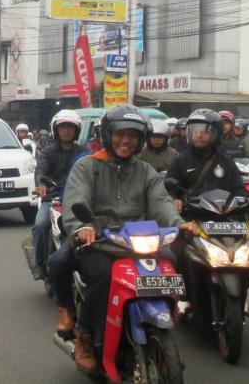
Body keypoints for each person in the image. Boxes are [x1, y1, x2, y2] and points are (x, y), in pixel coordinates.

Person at [62, 105, 197, 373]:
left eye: (133, 136)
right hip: (99, 240)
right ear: (109, 134)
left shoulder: (145, 171)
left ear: (141, 140)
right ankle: (86, 337)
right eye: (121, 134)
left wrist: (178, 224)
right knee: (102, 275)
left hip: (137, 240)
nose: (126, 141)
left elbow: (162, 203)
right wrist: (83, 227)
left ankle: (165, 329)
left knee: (171, 259)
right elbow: (76, 200)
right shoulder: (87, 167)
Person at [166, 108, 249, 314]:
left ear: (216, 133)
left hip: (226, 217)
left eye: (205, 130)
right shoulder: (180, 160)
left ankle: (242, 293)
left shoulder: (226, 161)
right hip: (194, 218)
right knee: (177, 249)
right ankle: (184, 296)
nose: (199, 134)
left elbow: (239, 188)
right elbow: (169, 187)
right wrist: (175, 200)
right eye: (196, 130)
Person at [33, 110, 86, 280]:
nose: (66, 130)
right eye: (62, 127)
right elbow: (40, 170)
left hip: (79, 198)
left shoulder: (84, 152)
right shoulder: (48, 152)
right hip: (54, 198)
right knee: (40, 225)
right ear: (56, 130)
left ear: (76, 130)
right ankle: (40, 265)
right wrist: (41, 185)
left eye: (70, 127)